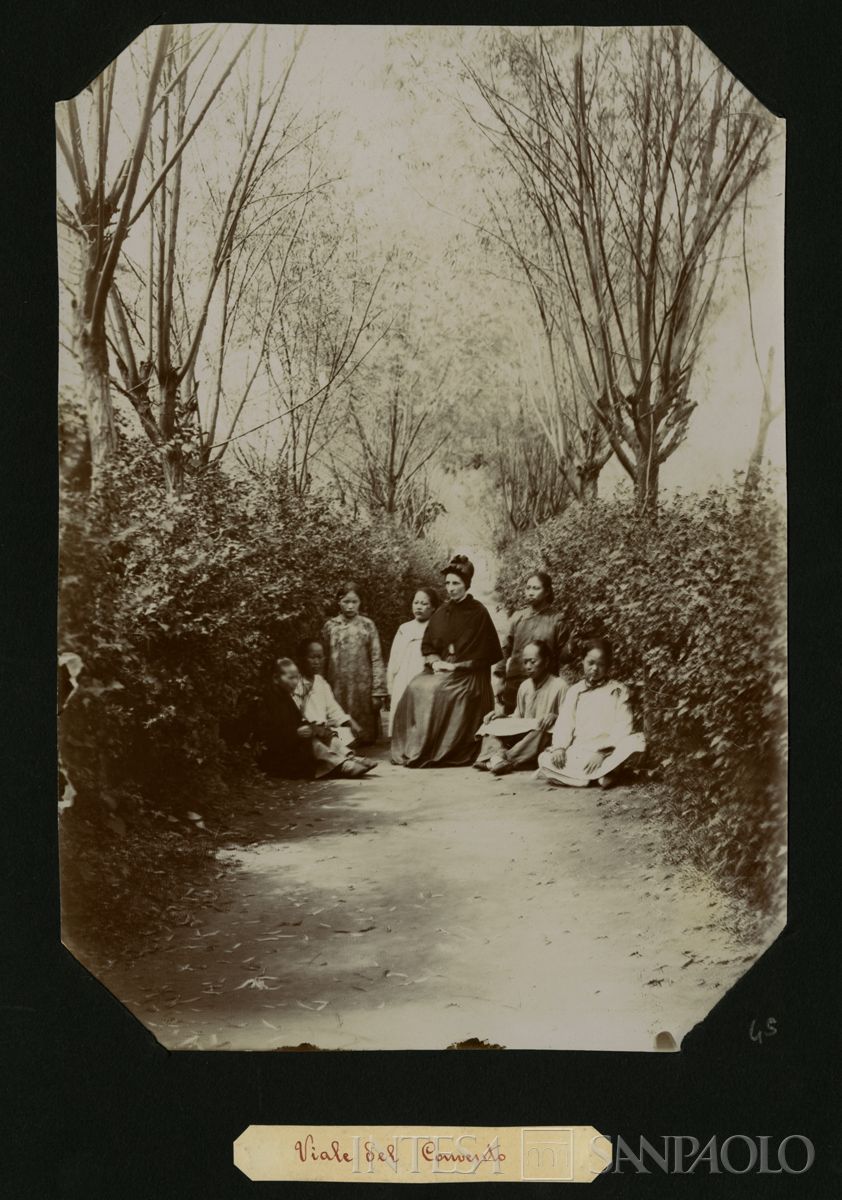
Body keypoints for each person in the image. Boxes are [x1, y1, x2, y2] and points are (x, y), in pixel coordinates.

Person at [391, 555, 503, 768]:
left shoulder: (478, 612)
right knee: (415, 686)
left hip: (470, 676)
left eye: (456, 583)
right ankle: (416, 746)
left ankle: (440, 748)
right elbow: (428, 645)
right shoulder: (442, 611)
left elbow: (485, 655)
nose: (451, 588)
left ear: (466, 585)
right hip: (442, 670)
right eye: (448, 583)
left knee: (436, 691)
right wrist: (434, 662)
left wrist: (455, 666)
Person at [536, 638, 646, 788]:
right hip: (581, 751)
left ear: (608, 666)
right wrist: (560, 748)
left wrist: (602, 753)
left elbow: (623, 725)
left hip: (608, 751)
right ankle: (595, 777)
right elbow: (565, 722)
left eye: (601, 665)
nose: (595, 668)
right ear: (583, 661)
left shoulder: (618, 690)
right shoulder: (575, 691)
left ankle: (595, 774)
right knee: (545, 758)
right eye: (591, 663)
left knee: (636, 741)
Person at [256, 658, 375, 780]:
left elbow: (299, 720)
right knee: (311, 743)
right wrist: (295, 733)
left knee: (324, 734)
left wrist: (313, 728)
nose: (295, 682)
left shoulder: (287, 697)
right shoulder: (266, 700)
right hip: (281, 755)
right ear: (276, 678)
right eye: (291, 678)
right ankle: (341, 764)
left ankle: (348, 757)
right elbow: (267, 735)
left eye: (297, 678)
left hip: (294, 745)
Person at [474, 640, 568, 775]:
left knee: (542, 728)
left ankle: (502, 758)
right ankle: (496, 758)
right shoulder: (525, 686)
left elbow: (569, 721)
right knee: (491, 722)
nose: (528, 666)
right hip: (525, 736)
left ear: (546, 662)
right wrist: (502, 717)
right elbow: (518, 719)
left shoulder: (560, 686)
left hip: (541, 738)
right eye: (525, 662)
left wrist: (555, 716)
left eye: (533, 662)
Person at [321, 582, 387, 746]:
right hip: (337, 684)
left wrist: (378, 690)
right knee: (339, 724)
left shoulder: (367, 625)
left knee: (366, 737)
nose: (350, 606)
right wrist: (320, 685)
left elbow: (376, 657)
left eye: (354, 602)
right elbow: (323, 659)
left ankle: (364, 740)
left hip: (362, 685)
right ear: (339, 602)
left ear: (360, 602)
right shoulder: (330, 626)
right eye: (346, 602)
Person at [499, 571, 572, 713]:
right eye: (528, 588)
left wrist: (572, 646)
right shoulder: (518, 617)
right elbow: (504, 649)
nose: (530, 592)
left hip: (546, 685)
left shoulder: (557, 620)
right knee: (512, 721)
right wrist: (499, 678)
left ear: (547, 592)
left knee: (540, 723)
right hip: (515, 682)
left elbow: (563, 657)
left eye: (536, 588)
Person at [385, 587, 440, 733]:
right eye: (416, 603)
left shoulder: (437, 628)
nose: (419, 607)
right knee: (402, 706)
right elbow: (394, 658)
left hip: (424, 675)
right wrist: (390, 682)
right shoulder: (404, 628)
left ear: (433, 607)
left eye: (424, 603)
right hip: (403, 675)